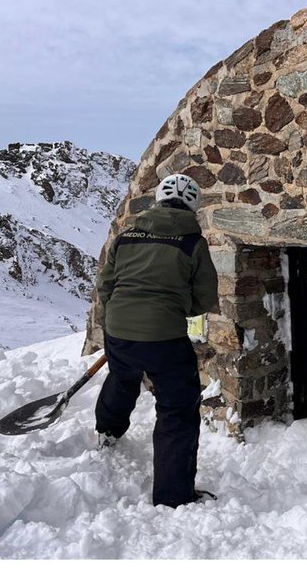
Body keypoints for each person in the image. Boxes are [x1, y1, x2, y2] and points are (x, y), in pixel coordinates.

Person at [94, 172, 219, 507]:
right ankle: (173, 496)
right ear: (193, 205)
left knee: (122, 377)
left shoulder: (126, 236)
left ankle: (107, 430)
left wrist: (113, 322)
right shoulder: (193, 242)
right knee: (177, 410)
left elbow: (106, 285)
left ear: (158, 200)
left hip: (118, 330)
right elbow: (205, 296)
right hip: (165, 336)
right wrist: (179, 307)